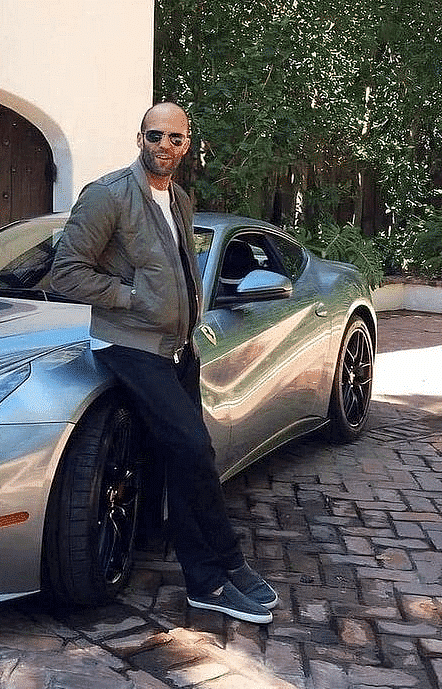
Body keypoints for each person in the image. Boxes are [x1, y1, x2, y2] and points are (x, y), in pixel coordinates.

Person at [50, 102, 278, 624]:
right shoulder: (108, 195)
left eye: (177, 139)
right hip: (129, 346)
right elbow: (65, 273)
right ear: (139, 137)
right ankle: (217, 572)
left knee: (185, 458)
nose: (165, 146)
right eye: (156, 136)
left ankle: (215, 569)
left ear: (187, 144)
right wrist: (133, 298)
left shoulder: (179, 198)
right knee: (195, 448)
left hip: (178, 349)